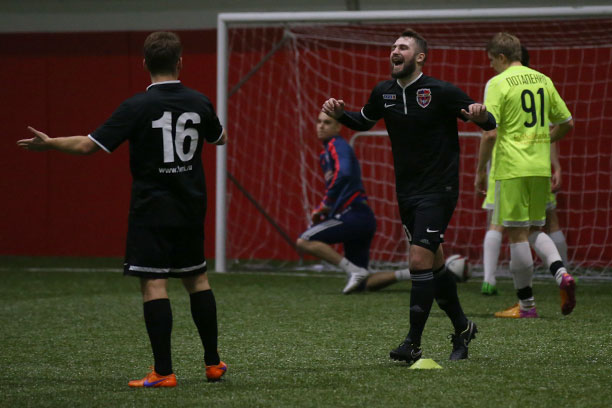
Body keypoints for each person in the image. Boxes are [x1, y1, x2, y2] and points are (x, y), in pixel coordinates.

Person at [17, 31, 227, 387]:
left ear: (144, 64)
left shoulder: (136, 106)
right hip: (191, 207)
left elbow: (88, 146)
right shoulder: (199, 101)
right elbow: (219, 138)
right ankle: (213, 364)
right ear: (180, 63)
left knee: (154, 284)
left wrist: (50, 143)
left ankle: (163, 373)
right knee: (197, 280)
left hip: (152, 210)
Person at [322, 28, 496, 364]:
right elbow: (363, 121)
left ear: (419, 57)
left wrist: (480, 115)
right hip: (407, 192)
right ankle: (462, 327)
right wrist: (341, 114)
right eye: (393, 46)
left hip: (439, 190)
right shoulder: (383, 92)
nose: (395, 51)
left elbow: (488, 121)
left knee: (417, 261)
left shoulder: (440, 91)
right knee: (435, 264)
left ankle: (412, 343)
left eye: (403, 47)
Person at [475, 32, 576, 318]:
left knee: (517, 234)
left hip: (512, 168)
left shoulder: (497, 83)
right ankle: (562, 274)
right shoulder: (543, 80)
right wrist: (543, 140)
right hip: (539, 167)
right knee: (534, 230)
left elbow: (490, 133)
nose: (491, 66)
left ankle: (526, 305)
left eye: (492, 60)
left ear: (502, 57)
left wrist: (480, 171)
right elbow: (567, 123)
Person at [296, 112, 412, 293]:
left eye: (327, 122)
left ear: (338, 127)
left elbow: (344, 174)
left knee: (304, 240)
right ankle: (411, 272)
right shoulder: (325, 154)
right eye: (319, 121)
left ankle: (353, 271)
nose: (321, 126)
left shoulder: (337, 144)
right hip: (362, 218)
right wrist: (328, 210)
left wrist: (325, 204)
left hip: (353, 214)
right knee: (363, 284)